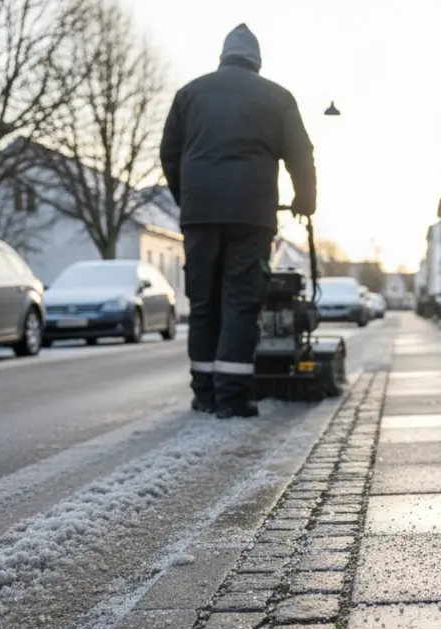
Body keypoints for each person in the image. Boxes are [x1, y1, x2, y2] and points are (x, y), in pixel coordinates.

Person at [160, 23, 317, 418]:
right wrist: (304, 201)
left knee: (203, 302)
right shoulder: (277, 97)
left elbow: (169, 153)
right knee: (241, 302)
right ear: (257, 62)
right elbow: (301, 154)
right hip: (251, 215)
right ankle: (231, 398)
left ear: (223, 57)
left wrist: (189, 201)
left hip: (200, 216)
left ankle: (205, 393)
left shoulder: (189, 94)